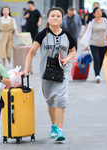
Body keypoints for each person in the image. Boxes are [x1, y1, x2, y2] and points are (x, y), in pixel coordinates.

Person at [22, 7, 76, 141]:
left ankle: (60, 130)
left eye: (58, 16)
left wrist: (67, 59)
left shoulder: (67, 34)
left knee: (61, 100)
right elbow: (31, 53)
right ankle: (53, 125)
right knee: (51, 101)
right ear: (48, 18)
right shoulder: (42, 34)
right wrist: (25, 69)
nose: (55, 18)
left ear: (61, 19)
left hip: (62, 72)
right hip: (46, 74)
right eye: (53, 16)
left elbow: (73, 51)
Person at [80, 7, 107, 83]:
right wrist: (86, 45)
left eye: (100, 12)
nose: (99, 13)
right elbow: (88, 33)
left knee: (100, 60)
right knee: (96, 59)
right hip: (94, 44)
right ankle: (97, 75)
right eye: (97, 12)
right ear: (94, 14)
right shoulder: (92, 22)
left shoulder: (105, 21)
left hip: (103, 44)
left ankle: (98, 74)